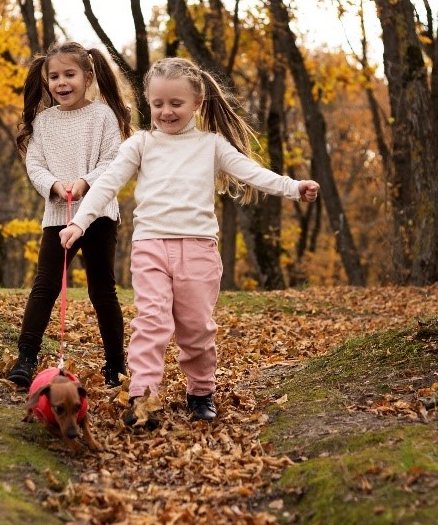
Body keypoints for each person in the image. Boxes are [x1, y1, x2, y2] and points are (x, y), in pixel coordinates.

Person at [59, 57, 319, 425]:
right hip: (151, 246)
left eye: (176, 104)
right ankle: (142, 398)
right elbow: (107, 184)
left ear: (196, 103)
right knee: (151, 322)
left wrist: (294, 187)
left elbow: (252, 172)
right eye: (158, 104)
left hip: (198, 249)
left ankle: (200, 392)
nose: (166, 112)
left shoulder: (211, 145)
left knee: (197, 328)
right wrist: (79, 223)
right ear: (149, 102)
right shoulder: (141, 144)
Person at [5, 42, 134, 390]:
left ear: (88, 77)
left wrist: (85, 182)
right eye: (54, 76)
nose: (61, 83)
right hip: (58, 213)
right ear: (46, 81)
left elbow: (112, 159)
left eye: (69, 75)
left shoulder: (104, 116)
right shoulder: (44, 123)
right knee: (45, 286)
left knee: (101, 289)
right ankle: (26, 358)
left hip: (100, 214)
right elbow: (35, 164)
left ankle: (115, 366)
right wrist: (54, 185)